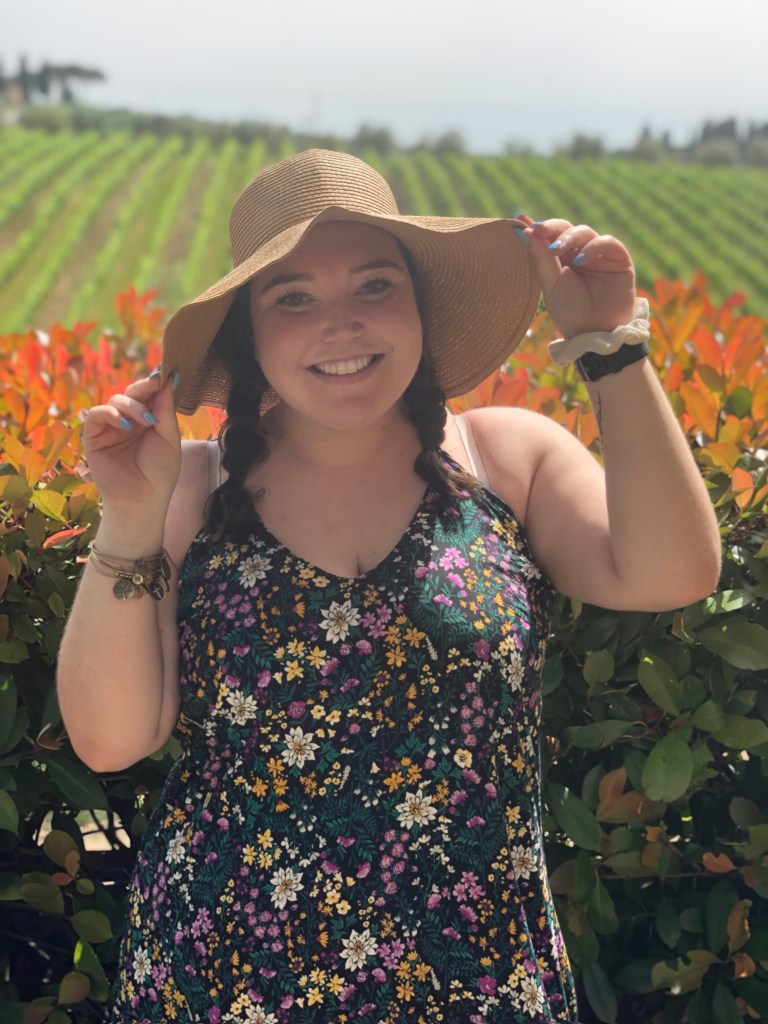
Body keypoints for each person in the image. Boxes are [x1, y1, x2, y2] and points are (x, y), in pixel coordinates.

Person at [57, 149, 721, 1024]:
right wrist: (129, 518)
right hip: (223, 979)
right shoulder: (186, 489)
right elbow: (110, 742)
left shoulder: (506, 458)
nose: (341, 324)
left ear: (420, 307)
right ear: (249, 336)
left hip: (476, 980)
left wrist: (611, 347)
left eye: (375, 285)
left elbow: (672, 571)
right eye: (293, 298)